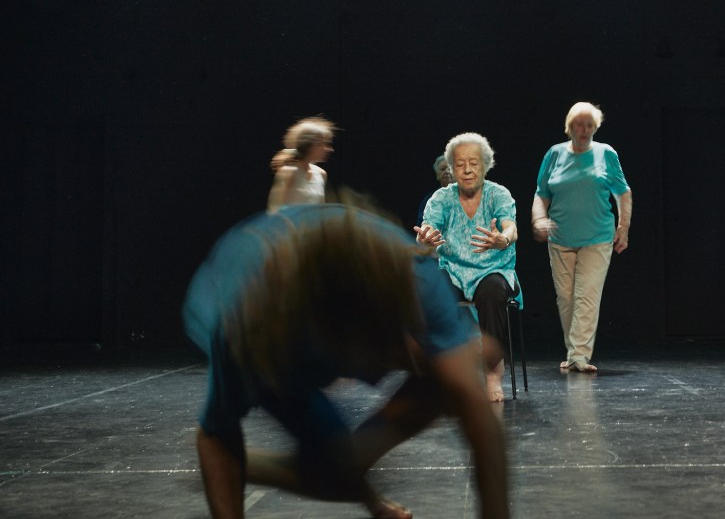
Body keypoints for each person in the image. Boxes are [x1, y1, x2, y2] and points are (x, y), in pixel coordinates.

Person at [183, 203, 508, 519]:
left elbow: (477, 413)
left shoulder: (415, 277)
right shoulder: (248, 334)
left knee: (454, 374)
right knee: (335, 468)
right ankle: (333, 470)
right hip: (243, 310)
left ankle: (336, 468)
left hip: (329, 307)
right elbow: (216, 435)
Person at [415, 133, 521, 402]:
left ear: (485, 165)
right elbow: (428, 229)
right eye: (460, 164)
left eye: (474, 163)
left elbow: (510, 226)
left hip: (493, 270)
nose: (467, 170)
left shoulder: (498, 194)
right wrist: (425, 239)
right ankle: (442, 368)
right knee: (429, 290)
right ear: (451, 168)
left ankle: (492, 372)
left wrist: (503, 239)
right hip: (454, 271)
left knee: (492, 291)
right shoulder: (441, 198)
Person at [531, 102, 632, 374]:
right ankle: (574, 351)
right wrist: (538, 220)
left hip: (597, 237)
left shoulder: (605, 154)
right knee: (566, 299)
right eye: (579, 124)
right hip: (560, 238)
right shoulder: (554, 154)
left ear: (595, 128)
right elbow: (541, 194)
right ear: (569, 127)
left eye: (589, 125)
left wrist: (623, 227)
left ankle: (578, 356)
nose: (584, 130)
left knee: (586, 297)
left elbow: (623, 192)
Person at [267, 116, 336, 213]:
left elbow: (320, 212)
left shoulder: (321, 174)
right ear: (310, 145)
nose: (330, 149)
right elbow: (275, 210)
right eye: (325, 144)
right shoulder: (289, 171)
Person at [415, 154, 454, 226]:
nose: (446, 171)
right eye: (442, 169)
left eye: (450, 169)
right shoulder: (429, 200)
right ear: (437, 175)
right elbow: (421, 224)